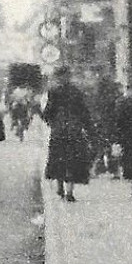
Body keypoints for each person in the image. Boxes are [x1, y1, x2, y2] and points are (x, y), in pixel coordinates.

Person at [43, 70, 94, 202]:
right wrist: (88, 128)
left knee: (59, 159)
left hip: (59, 130)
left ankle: (60, 185)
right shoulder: (76, 91)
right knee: (72, 161)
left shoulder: (54, 92)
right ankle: (69, 192)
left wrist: (51, 121)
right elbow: (84, 112)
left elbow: (48, 111)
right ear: (69, 77)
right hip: (74, 130)